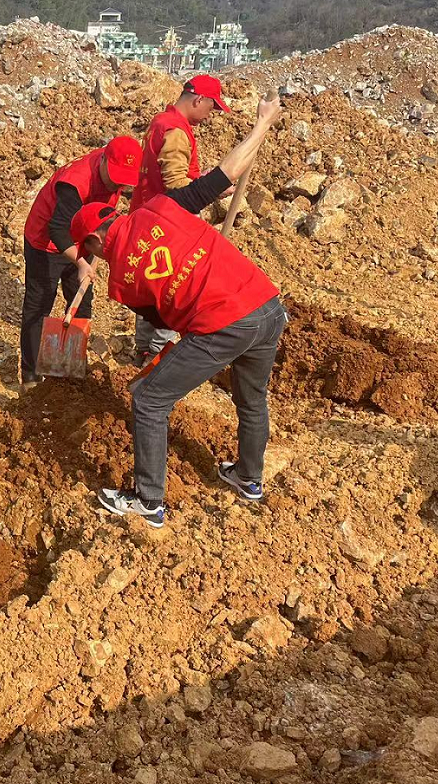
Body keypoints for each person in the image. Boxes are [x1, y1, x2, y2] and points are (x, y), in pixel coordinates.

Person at [69, 95, 286, 528]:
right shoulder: (162, 207)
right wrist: (262, 125)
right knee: (252, 399)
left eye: (88, 250)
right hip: (266, 306)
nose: (94, 257)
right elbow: (220, 177)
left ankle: (147, 500)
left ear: (94, 240)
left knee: (149, 399)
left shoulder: (121, 284)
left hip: (222, 324)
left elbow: (169, 325)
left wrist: (158, 367)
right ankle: (249, 478)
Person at [20, 136, 143, 387]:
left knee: (82, 302)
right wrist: (81, 263)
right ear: (104, 160)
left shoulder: (117, 171)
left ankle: (70, 369)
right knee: (39, 305)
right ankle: (30, 376)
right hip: (46, 242)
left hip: (83, 239)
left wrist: (91, 257)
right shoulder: (75, 182)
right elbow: (58, 229)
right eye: (116, 178)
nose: (118, 185)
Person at [132, 74, 230, 364]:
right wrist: (212, 187)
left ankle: (143, 349)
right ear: (198, 99)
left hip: (148, 216)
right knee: (172, 288)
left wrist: (204, 181)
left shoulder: (162, 121)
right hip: (167, 223)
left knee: (150, 286)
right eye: (211, 107)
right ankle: (156, 354)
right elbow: (175, 185)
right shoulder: (175, 131)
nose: (210, 115)